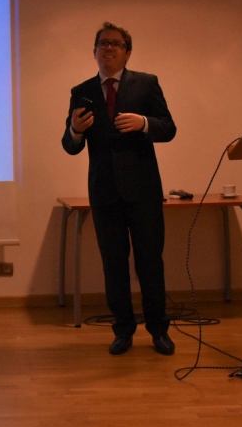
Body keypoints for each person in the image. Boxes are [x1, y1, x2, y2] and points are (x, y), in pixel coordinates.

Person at [61, 22, 177, 356]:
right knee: (114, 265)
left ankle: (158, 331)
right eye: (103, 43)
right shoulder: (81, 91)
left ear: (127, 52)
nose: (109, 48)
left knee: (150, 263)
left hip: (143, 191)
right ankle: (123, 331)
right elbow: (69, 146)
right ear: (94, 52)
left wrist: (144, 123)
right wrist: (75, 130)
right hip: (104, 192)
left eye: (116, 43)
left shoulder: (147, 83)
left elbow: (169, 128)